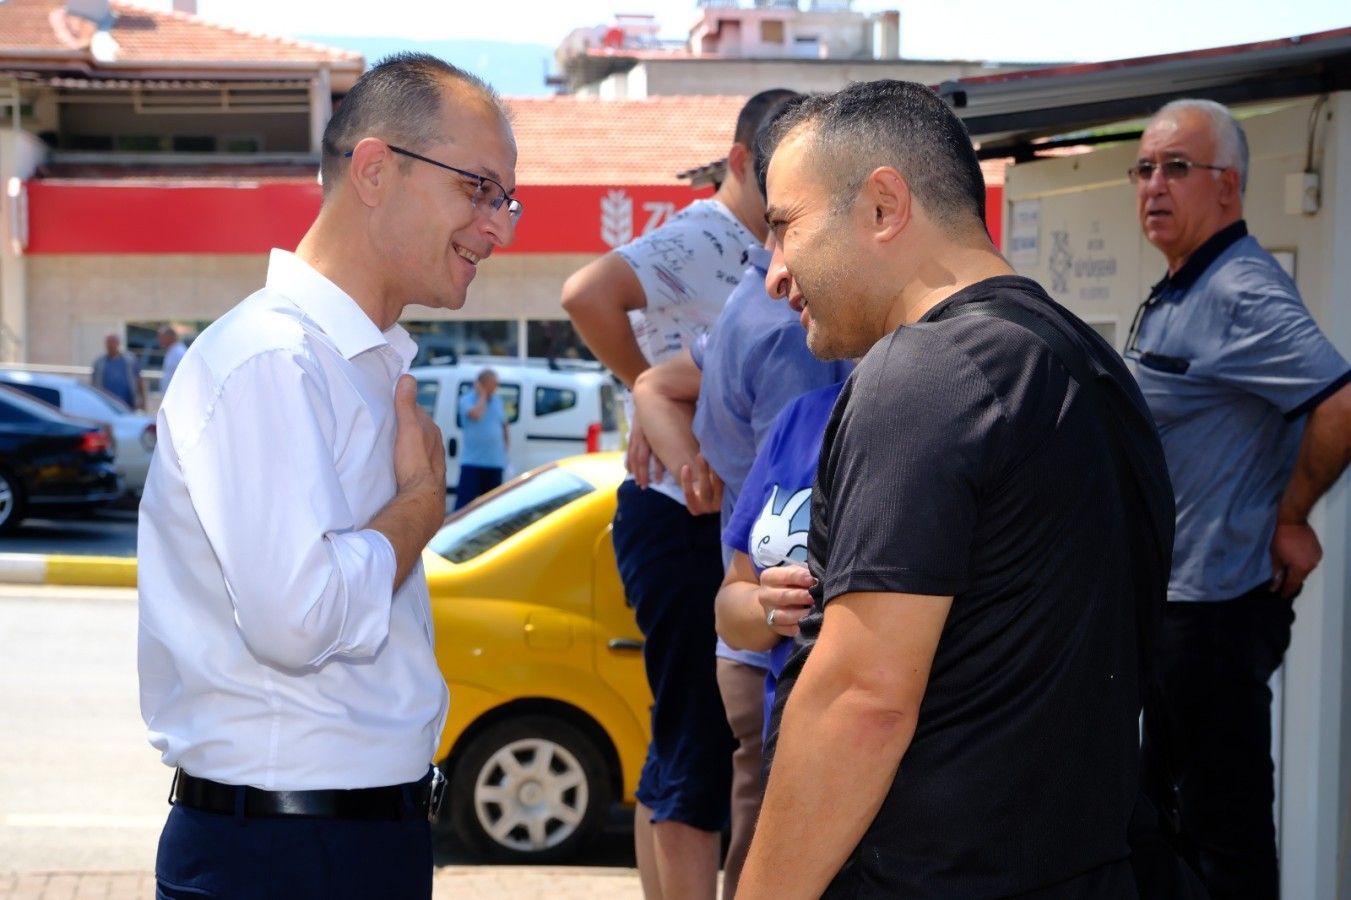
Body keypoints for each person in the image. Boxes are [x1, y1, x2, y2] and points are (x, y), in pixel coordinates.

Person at [736, 80, 1175, 899]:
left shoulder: (926, 372)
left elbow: (859, 700)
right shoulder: (1089, 366)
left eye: (784, 226)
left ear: (881, 205)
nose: (775, 273)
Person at [137, 53, 519, 900]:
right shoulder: (270, 360)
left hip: (340, 841)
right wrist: (422, 506)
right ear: (375, 170)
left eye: (506, 199)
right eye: (478, 190)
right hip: (283, 853)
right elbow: (297, 620)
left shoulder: (358, 363)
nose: (499, 228)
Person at [561, 88, 796, 900]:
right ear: (740, 164)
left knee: (682, 737)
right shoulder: (707, 237)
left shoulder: (767, 245)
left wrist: (655, 399)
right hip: (682, 512)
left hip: (703, 511)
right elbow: (584, 292)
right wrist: (651, 396)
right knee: (697, 740)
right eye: (781, 168)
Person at [1127, 99, 1351, 899]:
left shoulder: (1239, 290)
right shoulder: (1184, 284)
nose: (1154, 184)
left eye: (1175, 167)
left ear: (1228, 186)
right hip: (1171, 608)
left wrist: (1289, 516)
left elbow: (1339, 402)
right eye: (1145, 168)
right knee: (1159, 828)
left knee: (1222, 841)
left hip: (1212, 617)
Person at [630, 95, 852, 900]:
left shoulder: (748, 304)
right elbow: (591, 295)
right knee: (760, 832)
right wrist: (687, 462)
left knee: (712, 788)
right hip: (769, 628)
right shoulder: (791, 330)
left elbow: (656, 382)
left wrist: (686, 456)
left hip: (746, 607)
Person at [454, 367, 509, 509]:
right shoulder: (467, 400)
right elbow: (476, 415)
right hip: (473, 462)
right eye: (494, 384)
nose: (496, 387)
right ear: (483, 384)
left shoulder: (497, 400)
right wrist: (483, 395)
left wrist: (505, 447)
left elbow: (503, 424)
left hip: (494, 463)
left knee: (492, 508)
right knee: (464, 507)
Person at [91, 332, 144, 409]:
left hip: (128, 404)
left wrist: (143, 401)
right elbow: (93, 384)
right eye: (108, 342)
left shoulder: (130, 360)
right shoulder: (99, 362)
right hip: (106, 404)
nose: (110, 345)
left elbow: (139, 381)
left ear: (118, 343)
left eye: (112, 342)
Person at [157, 324, 187, 393]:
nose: (159, 341)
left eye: (161, 337)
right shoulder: (172, 351)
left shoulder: (179, 352)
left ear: (168, 337)